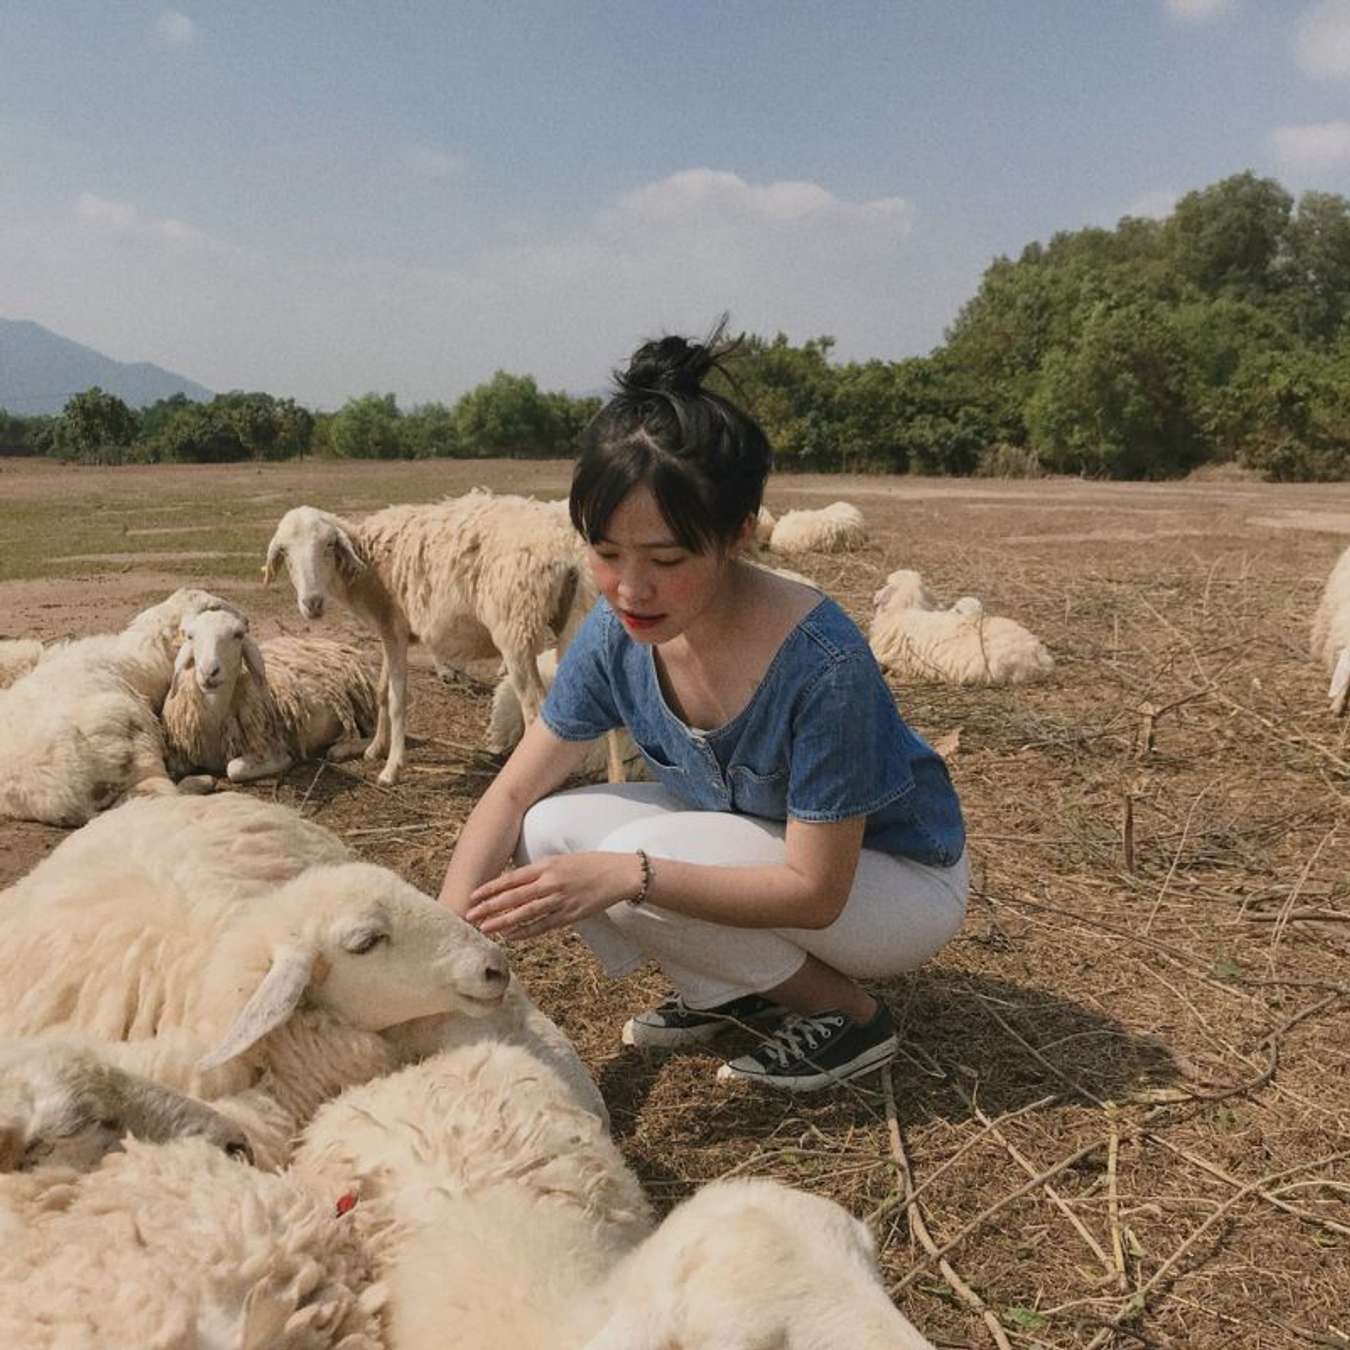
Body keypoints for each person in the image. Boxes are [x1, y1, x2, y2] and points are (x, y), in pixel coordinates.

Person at [438, 322, 967, 1092]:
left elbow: (817, 893)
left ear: (738, 536)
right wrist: (443, 935)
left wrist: (630, 875)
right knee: (549, 826)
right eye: (606, 552)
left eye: (666, 559)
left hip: (892, 884)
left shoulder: (823, 664)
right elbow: (516, 789)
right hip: (765, 842)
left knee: (640, 867)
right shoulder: (616, 634)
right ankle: (737, 988)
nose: (629, 588)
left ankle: (849, 1017)